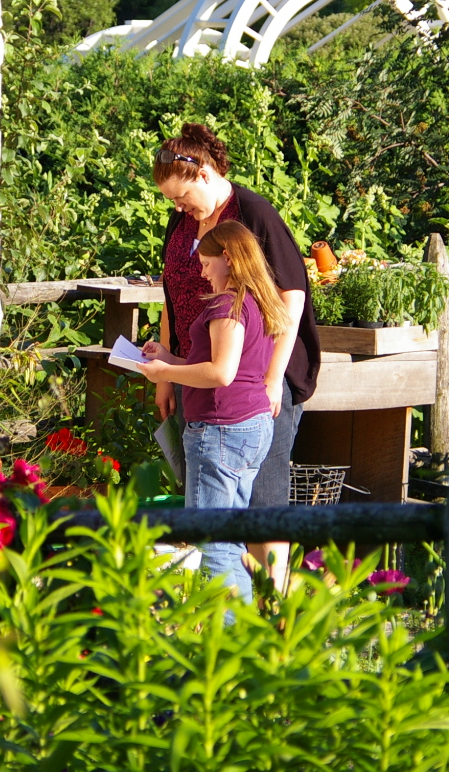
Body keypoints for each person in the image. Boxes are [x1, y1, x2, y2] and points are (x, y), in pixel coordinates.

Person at [151, 123, 321, 590]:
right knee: (212, 490)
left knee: (263, 496)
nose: (178, 208)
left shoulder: (253, 213)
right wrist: (167, 372)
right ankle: (237, 596)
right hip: (200, 371)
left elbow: (291, 297)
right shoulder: (182, 223)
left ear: (205, 174)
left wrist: (272, 378)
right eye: (172, 202)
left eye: (182, 197)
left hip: (254, 376)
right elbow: (172, 296)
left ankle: (274, 603)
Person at [139, 220, 290, 600]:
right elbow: (220, 365)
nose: (203, 272)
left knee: (212, 543)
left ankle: (226, 628)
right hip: (250, 424)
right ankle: (241, 623)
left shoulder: (227, 304)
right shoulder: (256, 301)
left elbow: (221, 373)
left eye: (207, 264)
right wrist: (168, 357)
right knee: (230, 538)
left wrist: (165, 373)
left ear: (228, 258)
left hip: (221, 429)